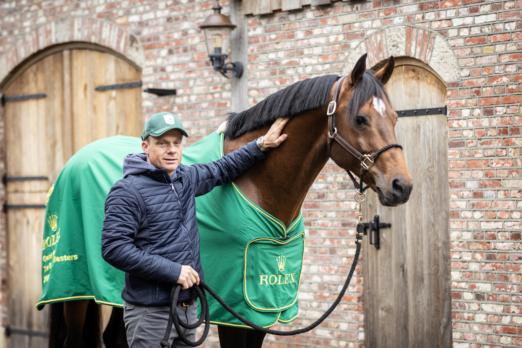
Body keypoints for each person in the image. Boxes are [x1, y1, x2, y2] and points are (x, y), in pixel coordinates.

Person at [101, 111, 288, 347]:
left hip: (187, 309)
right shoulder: (127, 191)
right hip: (150, 315)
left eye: (176, 143)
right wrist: (174, 271)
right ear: (145, 146)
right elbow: (114, 248)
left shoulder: (185, 178)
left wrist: (261, 145)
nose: (171, 150)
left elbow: (222, 168)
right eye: (162, 143)